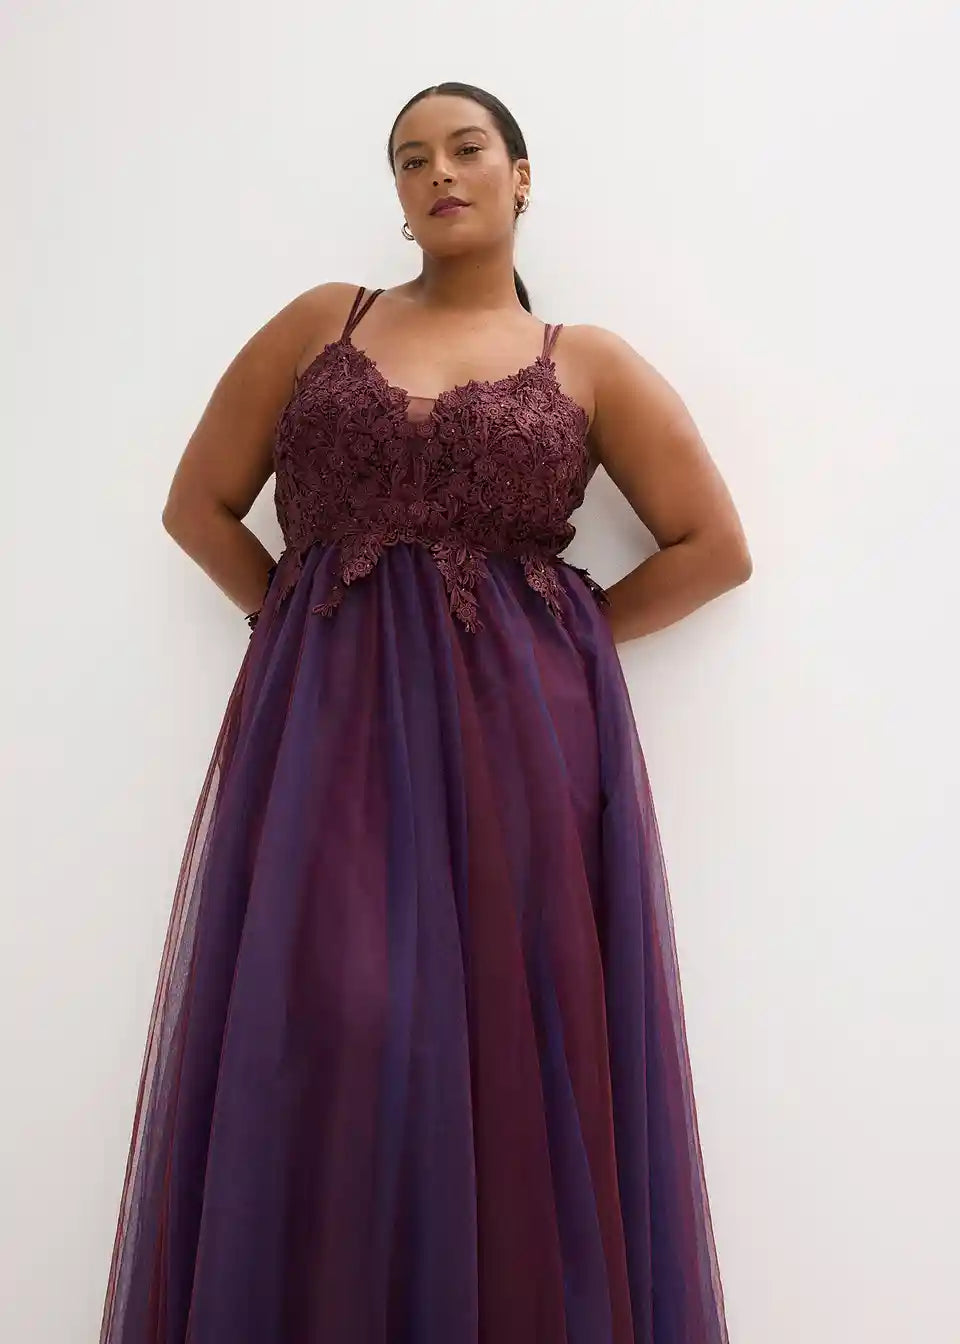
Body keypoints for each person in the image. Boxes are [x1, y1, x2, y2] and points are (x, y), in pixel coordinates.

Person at [99, 81, 750, 1344]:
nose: (439, 172)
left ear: (520, 175)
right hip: (325, 738)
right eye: (411, 158)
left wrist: (563, 642)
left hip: (520, 746)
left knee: (506, 1041)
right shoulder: (322, 322)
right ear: (398, 196)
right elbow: (198, 507)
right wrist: (300, 628)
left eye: (466, 148)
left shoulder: (586, 360)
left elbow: (714, 547)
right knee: (341, 1020)